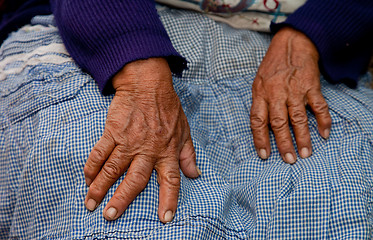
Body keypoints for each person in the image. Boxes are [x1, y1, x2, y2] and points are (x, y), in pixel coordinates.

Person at [0, 0, 372, 238]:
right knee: (127, 220)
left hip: (306, 40)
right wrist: (135, 66)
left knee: (335, 211)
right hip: (95, 23)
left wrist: (316, 30)